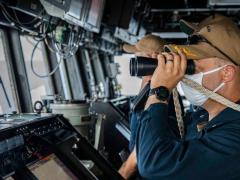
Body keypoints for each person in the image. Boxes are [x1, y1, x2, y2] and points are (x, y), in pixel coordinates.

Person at [136, 14, 240, 179]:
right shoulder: (201, 117)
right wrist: (150, 83)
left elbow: (152, 165)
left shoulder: (234, 140)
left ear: (226, 73)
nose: (185, 74)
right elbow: (145, 139)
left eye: (192, 65)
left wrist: (159, 91)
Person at [118, 35, 182, 179]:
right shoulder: (149, 87)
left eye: (137, 54)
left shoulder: (160, 97)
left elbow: (151, 140)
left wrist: (123, 172)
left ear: (150, 57)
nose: (134, 57)